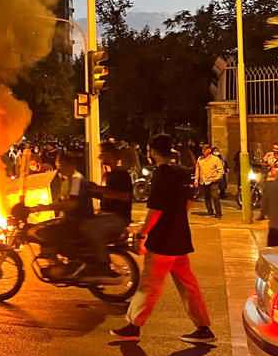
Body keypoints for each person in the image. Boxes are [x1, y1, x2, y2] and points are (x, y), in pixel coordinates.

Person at [111, 134, 215, 344]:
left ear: (153, 151)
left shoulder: (161, 175)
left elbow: (156, 210)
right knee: (188, 284)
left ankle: (133, 326)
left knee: (149, 284)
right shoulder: (182, 172)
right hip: (180, 237)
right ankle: (203, 327)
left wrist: (143, 233)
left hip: (162, 240)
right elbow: (188, 204)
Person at [81, 142, 133, 279]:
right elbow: (104, 194)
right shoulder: (107, 175)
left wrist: (101, 190)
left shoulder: (122, 174)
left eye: (104, 153)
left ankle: (104, 264)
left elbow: (124, 196)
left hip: (118, 217)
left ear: (113, 156)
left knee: (89, 228)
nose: (100, 156)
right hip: (106, 215)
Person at [194, 143, 224, 219]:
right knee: (207, 197)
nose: (203, 150)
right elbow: (197, 169)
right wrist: (196, 179)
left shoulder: (215, 159)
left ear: (209, 150)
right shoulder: (200, 159)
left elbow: (220, 170)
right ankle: (210, 210)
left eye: (205, 149)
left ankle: (218, 213)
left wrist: (217, 177)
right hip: (203, 180)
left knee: (215, 196)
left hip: (213, 180)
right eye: (202, 149)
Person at [262, 173, 278, 247]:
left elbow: (264, 204)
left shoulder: (273, 187)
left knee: (274, 253)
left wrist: (262, 215)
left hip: (276, 229)